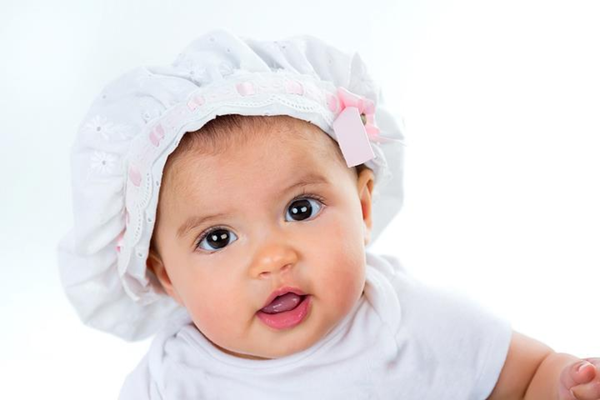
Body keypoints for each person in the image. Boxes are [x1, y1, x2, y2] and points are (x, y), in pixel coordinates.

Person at [58, 29, 599, 399]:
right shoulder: (173, 379)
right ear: (166, 277)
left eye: (300, 208)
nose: (272, 257)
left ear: (363, 205)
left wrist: (564, 382)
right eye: (218, 238)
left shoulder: (407, 320)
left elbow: (525, 376)